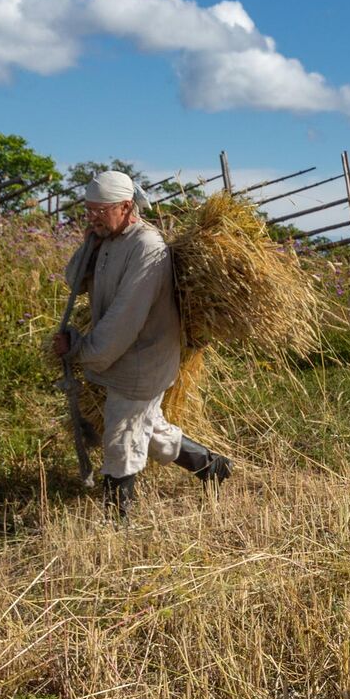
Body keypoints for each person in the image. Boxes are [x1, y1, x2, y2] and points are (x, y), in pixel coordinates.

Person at [52, 169, 232, 516]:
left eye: (99, 211)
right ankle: (211, 466)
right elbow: (74, 280)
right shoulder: (109, 240)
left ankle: (118, 520)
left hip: (142, 359)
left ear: (124, 206)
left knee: (122, 439)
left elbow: (125, 317)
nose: (92, 218)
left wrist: (82, 351)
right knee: (149, 429)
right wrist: (91, 242)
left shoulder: (147, 247)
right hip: (122, 355)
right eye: (88, 211)